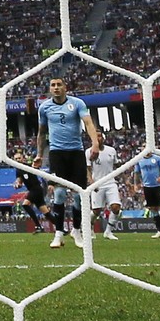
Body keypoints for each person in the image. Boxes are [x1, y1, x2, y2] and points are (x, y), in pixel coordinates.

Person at [34, 77, 101, 249]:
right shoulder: (44, 107)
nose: (56, 88)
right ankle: (58, 234)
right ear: (50, 89)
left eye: (59, 85)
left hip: (76, 152)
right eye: (53, 85)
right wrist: (39, 155)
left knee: (79, 195)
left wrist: (94, 143)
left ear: (65, 87)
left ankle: (76, 231)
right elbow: (41, 133)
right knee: (60, 194)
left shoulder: (77, 103)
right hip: (56, 154)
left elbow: (88, 122)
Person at [87, 139, 121, 241]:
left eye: (100, 136)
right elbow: (88, 169)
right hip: (97, 183)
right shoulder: (89, 152)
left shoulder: (111, 150)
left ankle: (108, 231)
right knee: (96, 211)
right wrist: (92, 182)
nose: (98, 139)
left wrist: (124, 179)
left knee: (116, 207)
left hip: (111, 183)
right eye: (96, 137)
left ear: (103, 139)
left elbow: (116, 165)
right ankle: (89, 226)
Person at [133, 153, 160, 238]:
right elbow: (136, 173)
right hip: (147, 187)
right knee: (153, 208)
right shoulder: (139, 160)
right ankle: (159, 231)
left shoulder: (157, 158)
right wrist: (136, 184)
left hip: (158, 187)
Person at [12, 149, 50, 234]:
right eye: (16, 159)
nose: (18, 160)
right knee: (46, 212)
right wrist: (18, 185)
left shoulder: (27, 166)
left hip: (36, 189)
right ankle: (61, 228)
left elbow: (35, 166)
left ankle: (38, 226)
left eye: (19, 158)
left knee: (25, 204)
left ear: (23, 158)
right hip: (34, 190)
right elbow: (19, 181)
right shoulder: (18, 170)